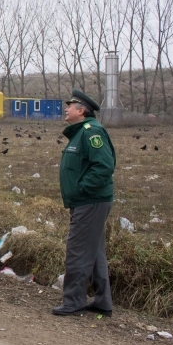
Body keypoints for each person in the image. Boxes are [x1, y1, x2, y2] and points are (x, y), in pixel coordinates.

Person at [53, 89, 116, 317]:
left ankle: (73, 301)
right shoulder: (80, 133)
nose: (66, 108)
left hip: (90, 202)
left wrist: (82, 189)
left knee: (78, 251)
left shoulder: (91, 133)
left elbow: (104, 166)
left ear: (81, 111)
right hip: (87, 202)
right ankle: (102, 302)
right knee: (95, 252)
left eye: (70, 105)